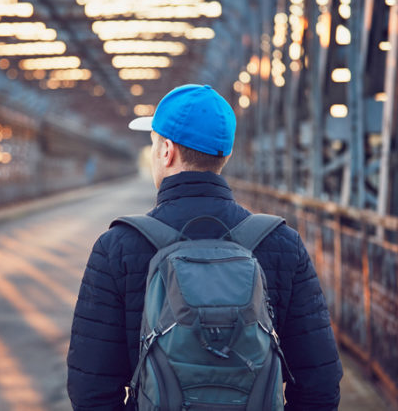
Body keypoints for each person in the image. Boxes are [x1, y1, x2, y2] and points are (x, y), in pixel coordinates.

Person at [66, 84, 342, 410]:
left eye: (154, 144)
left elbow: (91, 388)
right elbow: (319, 383)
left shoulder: (117, 247)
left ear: (166, 151)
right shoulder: (281, 243)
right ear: (225, 155)